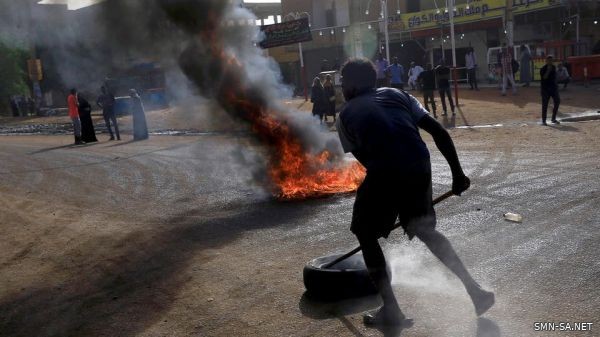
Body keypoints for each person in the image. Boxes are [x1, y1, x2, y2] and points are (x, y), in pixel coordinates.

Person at [336, 58, 494, 327]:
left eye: (342, 83)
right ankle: (475, 291)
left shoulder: (345, 115)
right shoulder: (399, 95)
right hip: (419, 165)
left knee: (364, 231)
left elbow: (369, 160)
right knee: (425, 231)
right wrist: (457, 174)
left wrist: (390, 200)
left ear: (349, 86)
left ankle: (392, 310)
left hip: (386, 170)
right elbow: (439, 132)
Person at [540, 56, 561, 125]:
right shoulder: (543, 69)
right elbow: (544, 77)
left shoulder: (554, 67)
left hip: (553, 88)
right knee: (545, 105)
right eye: (549, 61)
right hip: (545, 89)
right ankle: (544, 120)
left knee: (557, 101)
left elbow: (555, 78)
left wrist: (556, 86)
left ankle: (553, 118)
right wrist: (548, 70)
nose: (550, 62)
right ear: (546, 61)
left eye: (551, 61)